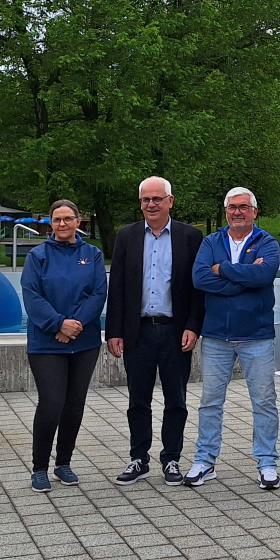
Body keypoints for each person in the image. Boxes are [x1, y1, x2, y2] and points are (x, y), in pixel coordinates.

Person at [106, 177, 205, 486]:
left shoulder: (191, 237)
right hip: (138, 332)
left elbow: (197, 289)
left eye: (157, 199)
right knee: (138, 399)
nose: (151, 204)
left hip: (176, 331)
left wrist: (193, 326)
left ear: (170, 201)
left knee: (176, 400)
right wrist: (114, 331)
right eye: (146, 199)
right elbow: (118, 286)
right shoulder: (127, 236)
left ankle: (172, 459)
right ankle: (139, 458)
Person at [188, 187, 280, 489]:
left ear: (254, 211)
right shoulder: (210, 241)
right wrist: (243, 279)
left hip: (257, 336)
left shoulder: (267, 242)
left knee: (264, 401)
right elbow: (200, 278)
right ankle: (205, 461)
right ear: (226, 210)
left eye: (243, 206)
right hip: (216, 336)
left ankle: (267, 462)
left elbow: (264, 277)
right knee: (210, 401)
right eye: (232, 207)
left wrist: (224, 270)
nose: (237, 212)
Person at [20, 200, 107, 493]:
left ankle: (63, 463)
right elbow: (32, 296)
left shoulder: (92, 254)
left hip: (84, 342)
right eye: (57, 219)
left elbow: (97, 294)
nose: (62, 224)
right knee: (51, 403)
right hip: (47, 343)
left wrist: (74, 326)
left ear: (78, 221)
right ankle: (40, 468)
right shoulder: (37, 256)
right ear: (50, 223)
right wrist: (59, 324)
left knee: (74, 403)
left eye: (68, 219)